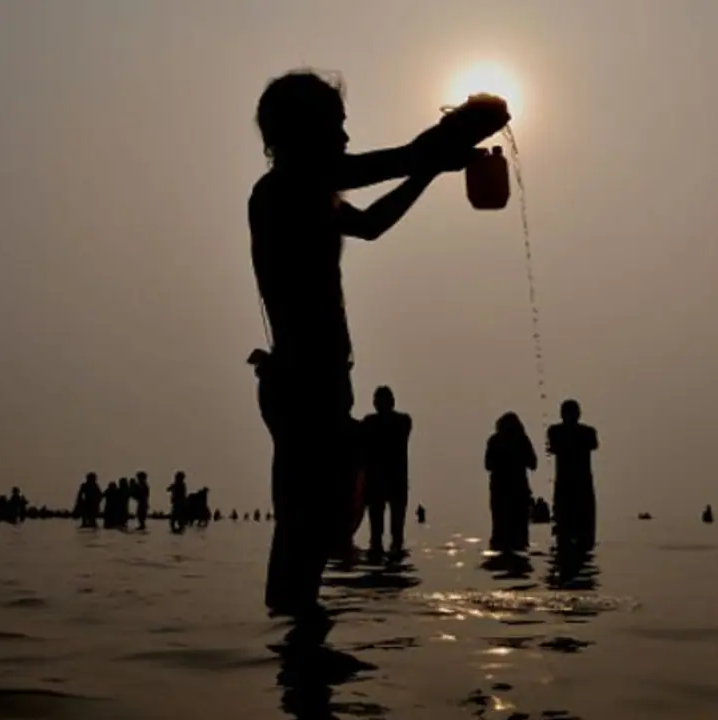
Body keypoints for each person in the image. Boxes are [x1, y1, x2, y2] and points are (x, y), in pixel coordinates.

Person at [247, 69, 508, 616]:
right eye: (335, 127)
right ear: (300, 131)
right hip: (303, 383)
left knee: (312, 537)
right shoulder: (282, 192)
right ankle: (300, 667)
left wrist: (431, 169)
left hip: (319, 382)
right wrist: (454, 132)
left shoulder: (310, 194)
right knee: (303, 537)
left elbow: (370, 224)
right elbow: (399, 158)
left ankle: (300, 658)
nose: (344, 137)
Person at [360, 386, 413, 554]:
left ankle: (380, 558)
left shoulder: (371, 423)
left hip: (381, 481)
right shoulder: (403, 421)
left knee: (381, 535)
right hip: (392, 480)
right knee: (392, 535)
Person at [546, 399, 600, 549]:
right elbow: (593, 445)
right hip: (581, 487)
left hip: (567, 486)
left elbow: (552, 447)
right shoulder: (587, 432)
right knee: (584, 534)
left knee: (564, 534)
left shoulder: (555, 431)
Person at [485, 412, 537, 552]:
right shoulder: (521, 440)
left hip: (500, 491)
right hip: (518, 490)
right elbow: (533, 464)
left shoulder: (495, 440)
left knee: (500, 529)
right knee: (519, 531)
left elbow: (488, 465)